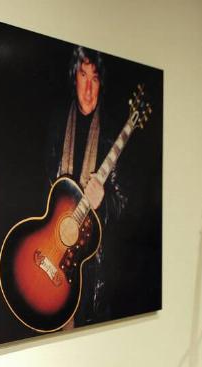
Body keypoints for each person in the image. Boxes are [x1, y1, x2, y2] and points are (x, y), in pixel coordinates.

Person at [45, 46, 128, 328]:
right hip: (52, 248)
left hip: (91, 272)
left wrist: (103, 200)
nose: (89, 88)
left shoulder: (111, 132)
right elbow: (42, 190)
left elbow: (126, 207)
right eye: (83, 76)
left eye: (95, 78)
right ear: (75, 76)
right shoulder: (57, 123)